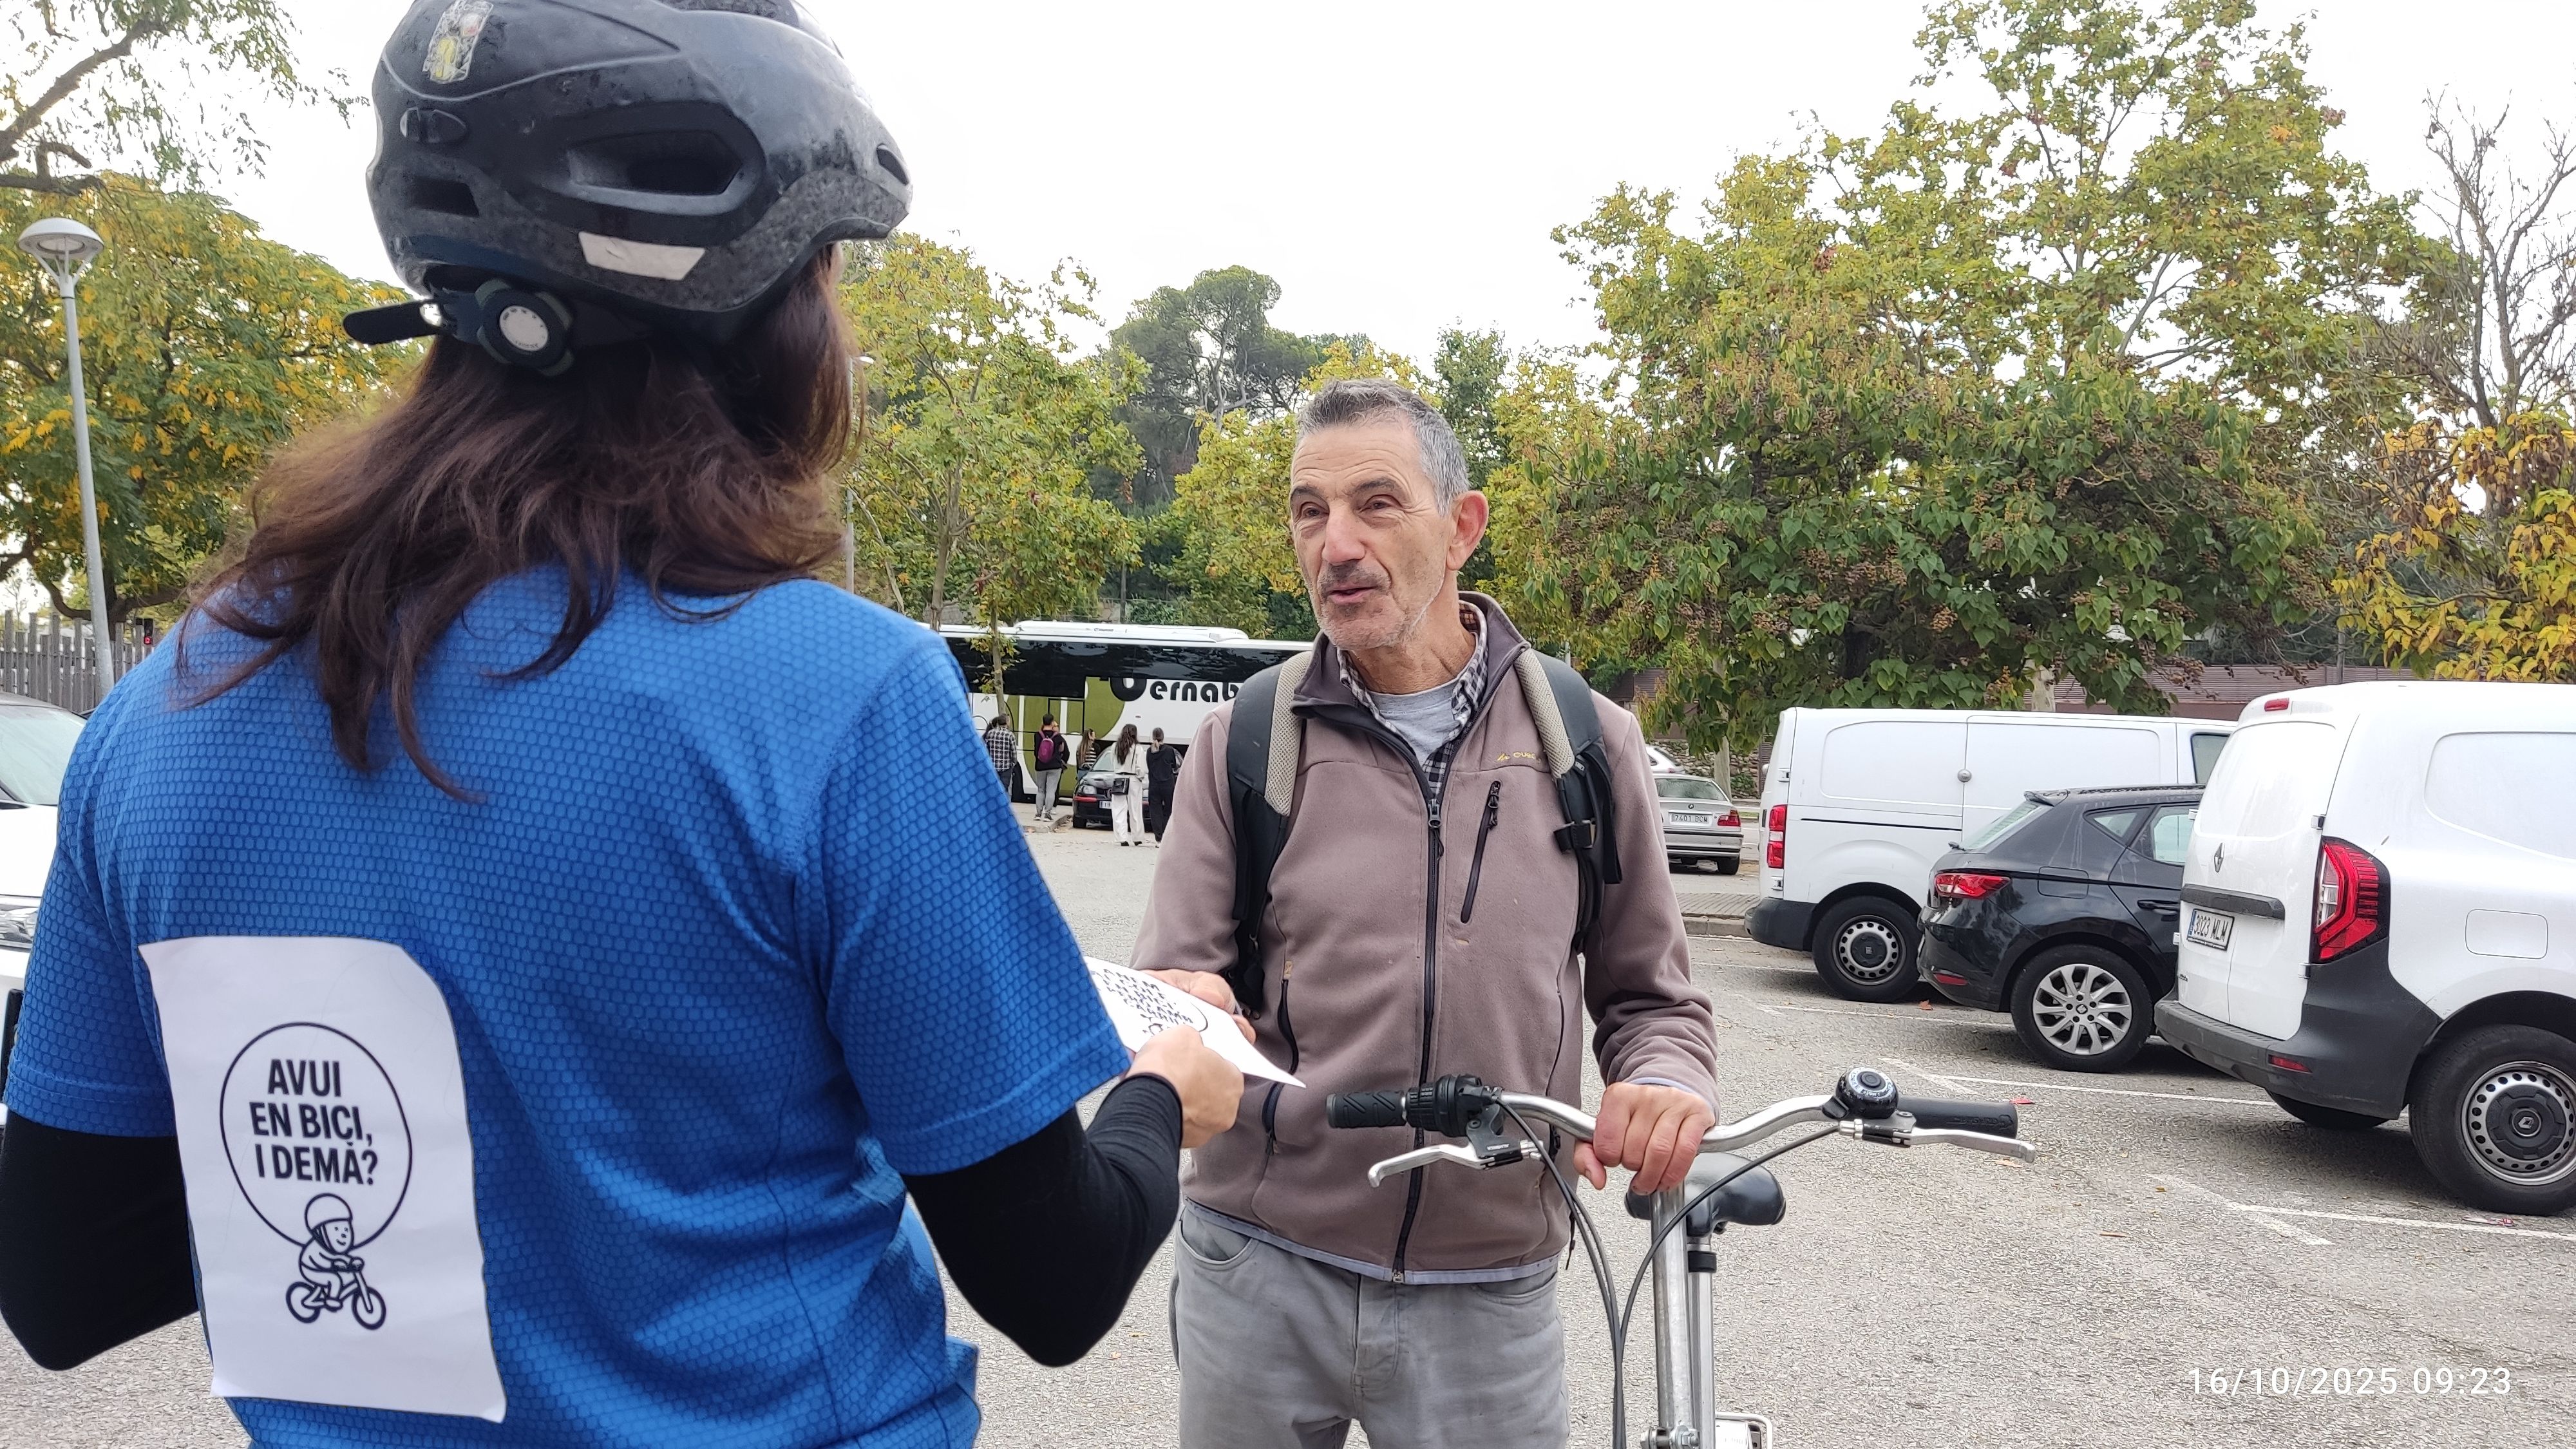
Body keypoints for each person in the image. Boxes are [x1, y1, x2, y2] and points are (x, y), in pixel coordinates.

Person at [0, 4, 1245, 1445]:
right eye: (829, 274)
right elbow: (1054, 1275)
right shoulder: (842, 698)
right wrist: (1165, 1097)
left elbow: (66, 1281)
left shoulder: (167, 709)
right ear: (763, 306)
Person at [1133, 379, 1719, 1449]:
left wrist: (1666, 1083)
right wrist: (1181, 1013)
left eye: (1375, 504)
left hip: (1490, 1279)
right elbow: (1175, 986)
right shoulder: (1246, 738)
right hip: (1259, 1261)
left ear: (1463, 527)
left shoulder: (1583, 738)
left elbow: (1654, 999)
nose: (1335, 544)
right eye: (1310, 511)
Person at [1105, 723, 1149, 846]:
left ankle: (1122, 837)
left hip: (1119, 778)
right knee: (1135, 810)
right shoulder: (1138, 748)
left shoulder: (1115, 747)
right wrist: (1140, 777)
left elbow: (1112, 763)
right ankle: (1137, 837)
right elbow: (1141, 768)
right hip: (1134, 779)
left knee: (1119, 810)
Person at [1032, 714, 1072, 822]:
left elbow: (1036, 752)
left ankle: (1038, 813)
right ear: (1052, 723)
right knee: (1051, 790)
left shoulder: (1037, 735)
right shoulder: (1058, 737)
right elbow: (1062, 751)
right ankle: (1048, 814)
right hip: (1055, 766)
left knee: (1041, 790)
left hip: (1040, 766)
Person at [1143, 727, 1180, 843]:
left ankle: (1158, 838)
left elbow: (1149, 766)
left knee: (1155, 811)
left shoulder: (1150, 751)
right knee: (1168, 809)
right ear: (1163, 737)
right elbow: (1174, 766)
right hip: (1168, 785)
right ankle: (1166, 834)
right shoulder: (1170, 750)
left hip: (1154, 785)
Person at [983, 712, 1019, 799]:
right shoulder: (1010, 735)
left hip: (992, 766)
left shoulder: (990, 734)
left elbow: (986, 750)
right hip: (1006, 767)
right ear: (1006, 723)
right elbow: (1013, 753)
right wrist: (1013, 764)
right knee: (1004, 789)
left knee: (993, 789)